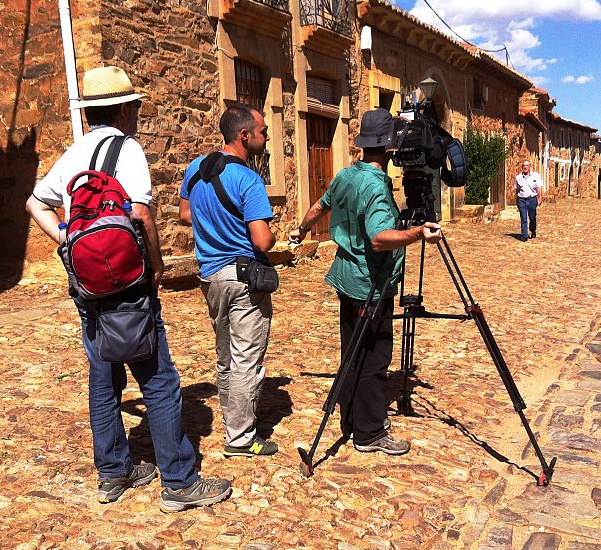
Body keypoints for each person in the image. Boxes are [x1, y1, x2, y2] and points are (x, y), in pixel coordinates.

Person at [26, 66, 231, 512]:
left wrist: (69, 241)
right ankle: (179, 480)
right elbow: (140, 215)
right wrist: (155, 266)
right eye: (134, 105)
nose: (137, 112)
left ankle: (114, 473)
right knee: (158, 378)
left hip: (85, 283)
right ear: (121, 109)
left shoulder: (75, 151)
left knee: (103, 375)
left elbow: (35, 202)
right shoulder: (128, 149)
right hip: (128, 281)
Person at [289, 108, 442, 455]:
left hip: (347, 277)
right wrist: (417, 232)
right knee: (374, 357)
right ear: (389, 147)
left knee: (352, 351)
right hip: (370, 281)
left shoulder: (346, 175)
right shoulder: (374, 186)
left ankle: (352, 418)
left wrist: (300, 230)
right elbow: (378, 237)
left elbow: (319, 206)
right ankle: (370, 431)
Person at [179, 103, 277, 458]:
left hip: (209, 275)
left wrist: (214, 227)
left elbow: (186, 213)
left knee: (225, 357)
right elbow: (262, 240)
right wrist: (274, 235)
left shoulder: (196, 169)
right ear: (244, 135)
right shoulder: (248, 179)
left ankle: (231, 420)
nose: (266, 138)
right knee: (247, 358)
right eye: (263, 132)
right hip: (243, 278)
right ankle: (240, 437)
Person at [513, 159, 543, 241]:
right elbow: (517, 189)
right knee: (523, 218)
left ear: (530, 167)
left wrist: (540, 198)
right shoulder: (518, 178)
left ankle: (533, 230)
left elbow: (539, 188)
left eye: (527, 165)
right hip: (522, 200)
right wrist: (517, 199)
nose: (525, 167)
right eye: (524, 166)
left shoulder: (536, 176)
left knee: (532, 217)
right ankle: (524, 236)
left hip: (532, 199)